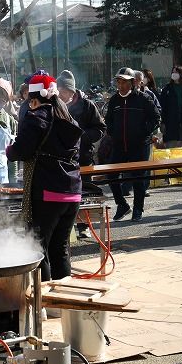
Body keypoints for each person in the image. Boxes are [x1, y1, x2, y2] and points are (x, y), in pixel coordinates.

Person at [6, 73, 83, 281]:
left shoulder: (37, 117)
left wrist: (9, 150)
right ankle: (63, 302)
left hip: (48, 192)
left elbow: (20, 151)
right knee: (61, 249)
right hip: (73, 192)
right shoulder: (68, 118)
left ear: (32, 99)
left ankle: (45, 305)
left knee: (39, 250)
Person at [105, 67, 161, 222]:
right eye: (119, 81)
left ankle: (138, 209)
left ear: (132, 83)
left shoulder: (143, 98)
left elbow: (156, 117)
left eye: (124, 82)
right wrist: (112, 132)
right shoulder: (114, 100)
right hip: (119, 145)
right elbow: (108, 120)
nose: (121, 85)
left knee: (138, 179)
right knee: (111, 175)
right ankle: (122, 205)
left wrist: (144, 132)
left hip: (139, 146)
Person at [57, 69, 106, 238]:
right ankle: (67, 228)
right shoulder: (54, 104)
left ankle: (84, 226)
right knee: (65, 195)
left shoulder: (87, 105)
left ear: (72, 90)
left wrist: (82, 137)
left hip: (84, 157)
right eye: (60, 91)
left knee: (85, 194)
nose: (62, 95)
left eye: (65, 91)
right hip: (62, 159)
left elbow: (100, 128)